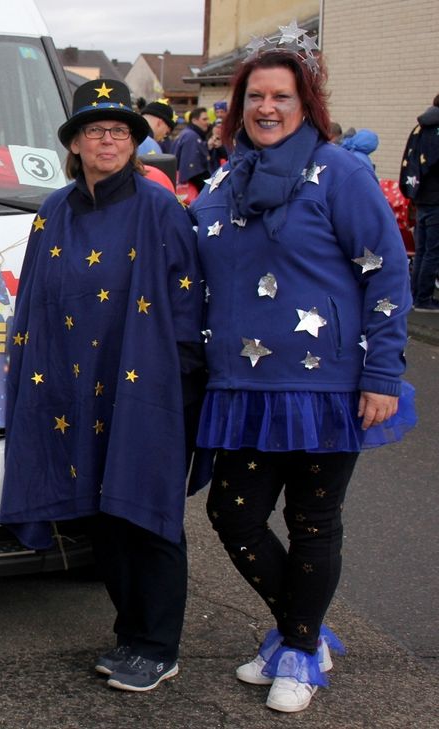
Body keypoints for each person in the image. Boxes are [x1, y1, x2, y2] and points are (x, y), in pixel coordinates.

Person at [188, 30, 414, 713]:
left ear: (304, 102)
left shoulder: (338, 170)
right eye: (255, 95)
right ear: (239, 104)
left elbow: (387, 271)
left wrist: (382, 370)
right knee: (233, 514)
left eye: (281, 96)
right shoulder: (229, 174)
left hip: (325, 385)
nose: (266, 107)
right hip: (242, 384)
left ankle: (298, 647)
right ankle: (302, 633)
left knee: (314, 519)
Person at [0, 78, 204, 693]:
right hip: (71, 386)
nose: (106, 140)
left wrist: (184, 378)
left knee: (147, 512)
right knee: (100, 515)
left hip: (146, 384)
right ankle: (130, 634)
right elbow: (33, 300)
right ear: (76, 143)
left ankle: (157, 645)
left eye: (118, 130)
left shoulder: (158, 206)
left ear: (134, 142)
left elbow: (186, 299)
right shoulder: (53, 211)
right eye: (95, 130)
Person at [400, 92, 439, 312]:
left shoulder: (422, 128)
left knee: (423, 249)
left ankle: (415, 295)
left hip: (422, 197)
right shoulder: (438, 130)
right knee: (432, 251)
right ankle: (423, 299)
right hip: (436, 199)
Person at [172, 106, 212, 190]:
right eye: (204, 119)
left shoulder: (189, 133)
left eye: (207, 119)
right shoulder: (191, 137)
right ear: (194, 120)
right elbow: (192, 171)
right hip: (192, 189)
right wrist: (208, 189)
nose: (208, 122)